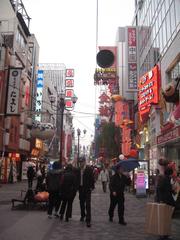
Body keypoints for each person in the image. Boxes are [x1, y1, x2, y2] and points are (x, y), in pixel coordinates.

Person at [156, 167, 176, 240]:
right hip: (165, 201)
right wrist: (161, 200)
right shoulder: (164, 179)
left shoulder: (167, 179)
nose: (173, 174)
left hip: (167, 200)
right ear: (170, 173)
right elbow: (160, 189)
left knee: (167, 218)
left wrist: (173, 190)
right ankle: (163, 234)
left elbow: (167, 189)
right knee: (165, 218)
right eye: (172, 172)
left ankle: (165, 234)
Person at [77, 156, 95, 227]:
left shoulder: (89, 169)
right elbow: (76, 179)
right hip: (81, 189)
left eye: (82, 162)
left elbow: (92, 178)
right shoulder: (78, 170)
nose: (81, 163)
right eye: (80, 162)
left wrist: (92, 187)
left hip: (87, 189)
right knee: (81, 203)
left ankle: (88, 220)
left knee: (88, 204)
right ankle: (82, 215)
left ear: (84, 162)